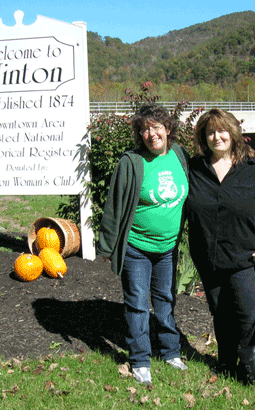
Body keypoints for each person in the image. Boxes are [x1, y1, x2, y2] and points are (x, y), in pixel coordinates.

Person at [185, 108, 255, 384]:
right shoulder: (195, 168)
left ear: (233, 132)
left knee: (248, 312)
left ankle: (249, 363)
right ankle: (226, 362)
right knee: (220, 311)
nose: (217, 137)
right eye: (210, 132)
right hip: (209, 257)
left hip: (246, 257)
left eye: (222, 130)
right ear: (204, 138)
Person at [96, 103, 190, 384]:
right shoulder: (132, 162)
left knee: (165, 300)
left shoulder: (180, 155)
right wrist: (107, 246)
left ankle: (170, 351)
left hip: (168, 247)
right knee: (137, 303)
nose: (151, 134)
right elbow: (113, 206)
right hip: (137, 247)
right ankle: (139, 360)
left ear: (168, 129)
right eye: (145, 129)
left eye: (156, 127)